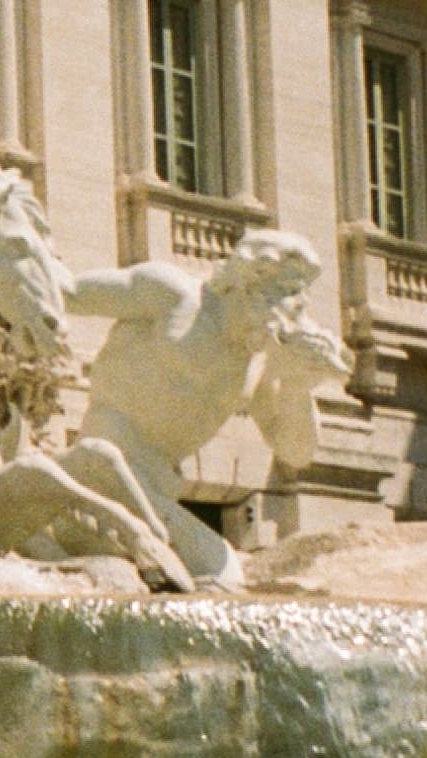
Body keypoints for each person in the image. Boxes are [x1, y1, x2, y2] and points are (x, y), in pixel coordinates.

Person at [65, 229, 347, 585]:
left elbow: (295, 451)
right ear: (249, 280)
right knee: (221, 572)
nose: (300, 304)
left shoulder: (259, 357)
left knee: (217, 572)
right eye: (290, 290)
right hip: (105, 461)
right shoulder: (172, 294)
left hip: (159, 484)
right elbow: (66, 293)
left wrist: (297, 385)